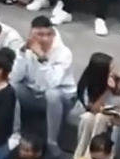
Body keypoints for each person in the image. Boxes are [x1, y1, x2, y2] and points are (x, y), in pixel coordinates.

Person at [10, 16, 76, 144]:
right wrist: (22, 54)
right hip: (34, 94)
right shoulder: (26, 50)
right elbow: (15, 77)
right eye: (40, 35)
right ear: (31, 35)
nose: (45, 39)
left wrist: (42, 58)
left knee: (52, 94)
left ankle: (52, 142)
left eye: (49, 34)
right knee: (12, 86)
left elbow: (51, 83)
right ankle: (15, 134)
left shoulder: (64, 53)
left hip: (61, 99)